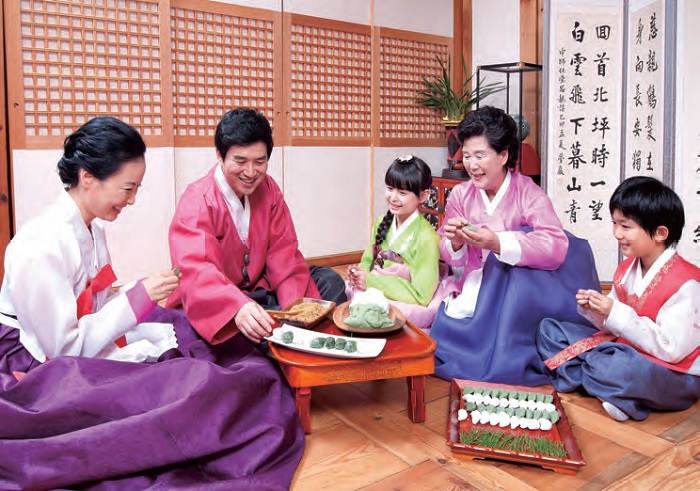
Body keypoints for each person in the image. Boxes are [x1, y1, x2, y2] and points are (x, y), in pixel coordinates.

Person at [0, 117, 304, 490]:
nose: (132, 200)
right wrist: (138, 299)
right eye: (127, 188)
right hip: (38, 361)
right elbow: (62, 349)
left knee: (209, 350)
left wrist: (299, 308)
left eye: (136, 189)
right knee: (202, 380)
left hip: (90, 337)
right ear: (88, 177)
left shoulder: (89, 227)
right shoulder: (39, 247)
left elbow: (287, 254)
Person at [429, 105, 600, 386]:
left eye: (480, 155)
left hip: (516, 296)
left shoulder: (528, 192)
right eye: (468, 155)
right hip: (472, 284)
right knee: (445, 330)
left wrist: (499, 243)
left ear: (504, 155)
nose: (471, 164)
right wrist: (455, 241)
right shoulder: (461, 194)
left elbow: (555, 244)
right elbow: (449, 254)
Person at [168, 108, 346, 345]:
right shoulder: (197, 200)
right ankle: (275, 339)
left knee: (328, 280)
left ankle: (280, 335)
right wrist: (238, 307)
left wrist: (295, 313)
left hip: (261, 291)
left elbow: (284, 254)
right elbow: (197, 270)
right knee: (208, 335)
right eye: (240, 161)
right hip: (224, 302)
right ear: (220, 156)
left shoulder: (269, 190)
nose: (251, 173)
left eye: (260, 162)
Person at [537, 176, 700, 422]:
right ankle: (610, 388)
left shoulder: (686, 282)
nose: (617, 233)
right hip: (621, 349)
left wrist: (615, 313)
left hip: (672, 373)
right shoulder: (626, 270)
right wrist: (596, 310)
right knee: (549, 330)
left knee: (617, 368)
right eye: (615, 224)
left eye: (626, 226)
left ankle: (595, 379)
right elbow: (611, 326)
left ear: (660, 233)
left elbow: (671, 351)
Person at [346, 155, 454, 330]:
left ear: (424, 195)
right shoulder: (382, 222)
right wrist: (359, 275)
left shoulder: (427, 237)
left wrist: (371, 281)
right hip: (377, 286)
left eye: (402, 193)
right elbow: (367, 261)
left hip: (406, 298)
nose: (393, 198)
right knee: (349, 289)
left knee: (400, 313)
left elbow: (421, 296)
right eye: (390, 189)